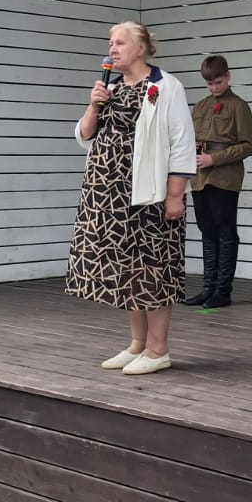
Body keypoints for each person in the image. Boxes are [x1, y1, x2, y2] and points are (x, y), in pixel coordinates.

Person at [68, 21, 196, 376]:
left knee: (153, 267)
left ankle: (158, 349)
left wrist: (175, 194)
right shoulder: (109, 87)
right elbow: (84, 135)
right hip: (108, 193)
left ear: (141, 48)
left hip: (149, 193)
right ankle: (138, 343)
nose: (113, 48)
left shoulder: (165, 86)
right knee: (127, 267)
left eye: (120, 42)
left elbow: (182, 142)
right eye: (111, 42)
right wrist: (94, 105)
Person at [184, 55, 252, 309]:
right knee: (207, 231)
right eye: (209, 83)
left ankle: (223, 290)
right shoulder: (201, 106)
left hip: (225, 177)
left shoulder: (239, 106)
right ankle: (208, 288)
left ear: (228, 76)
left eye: (218, 82)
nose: (214, 87)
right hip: (200, 176)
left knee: (225, 232)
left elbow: (247, 146)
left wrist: (214, 158)